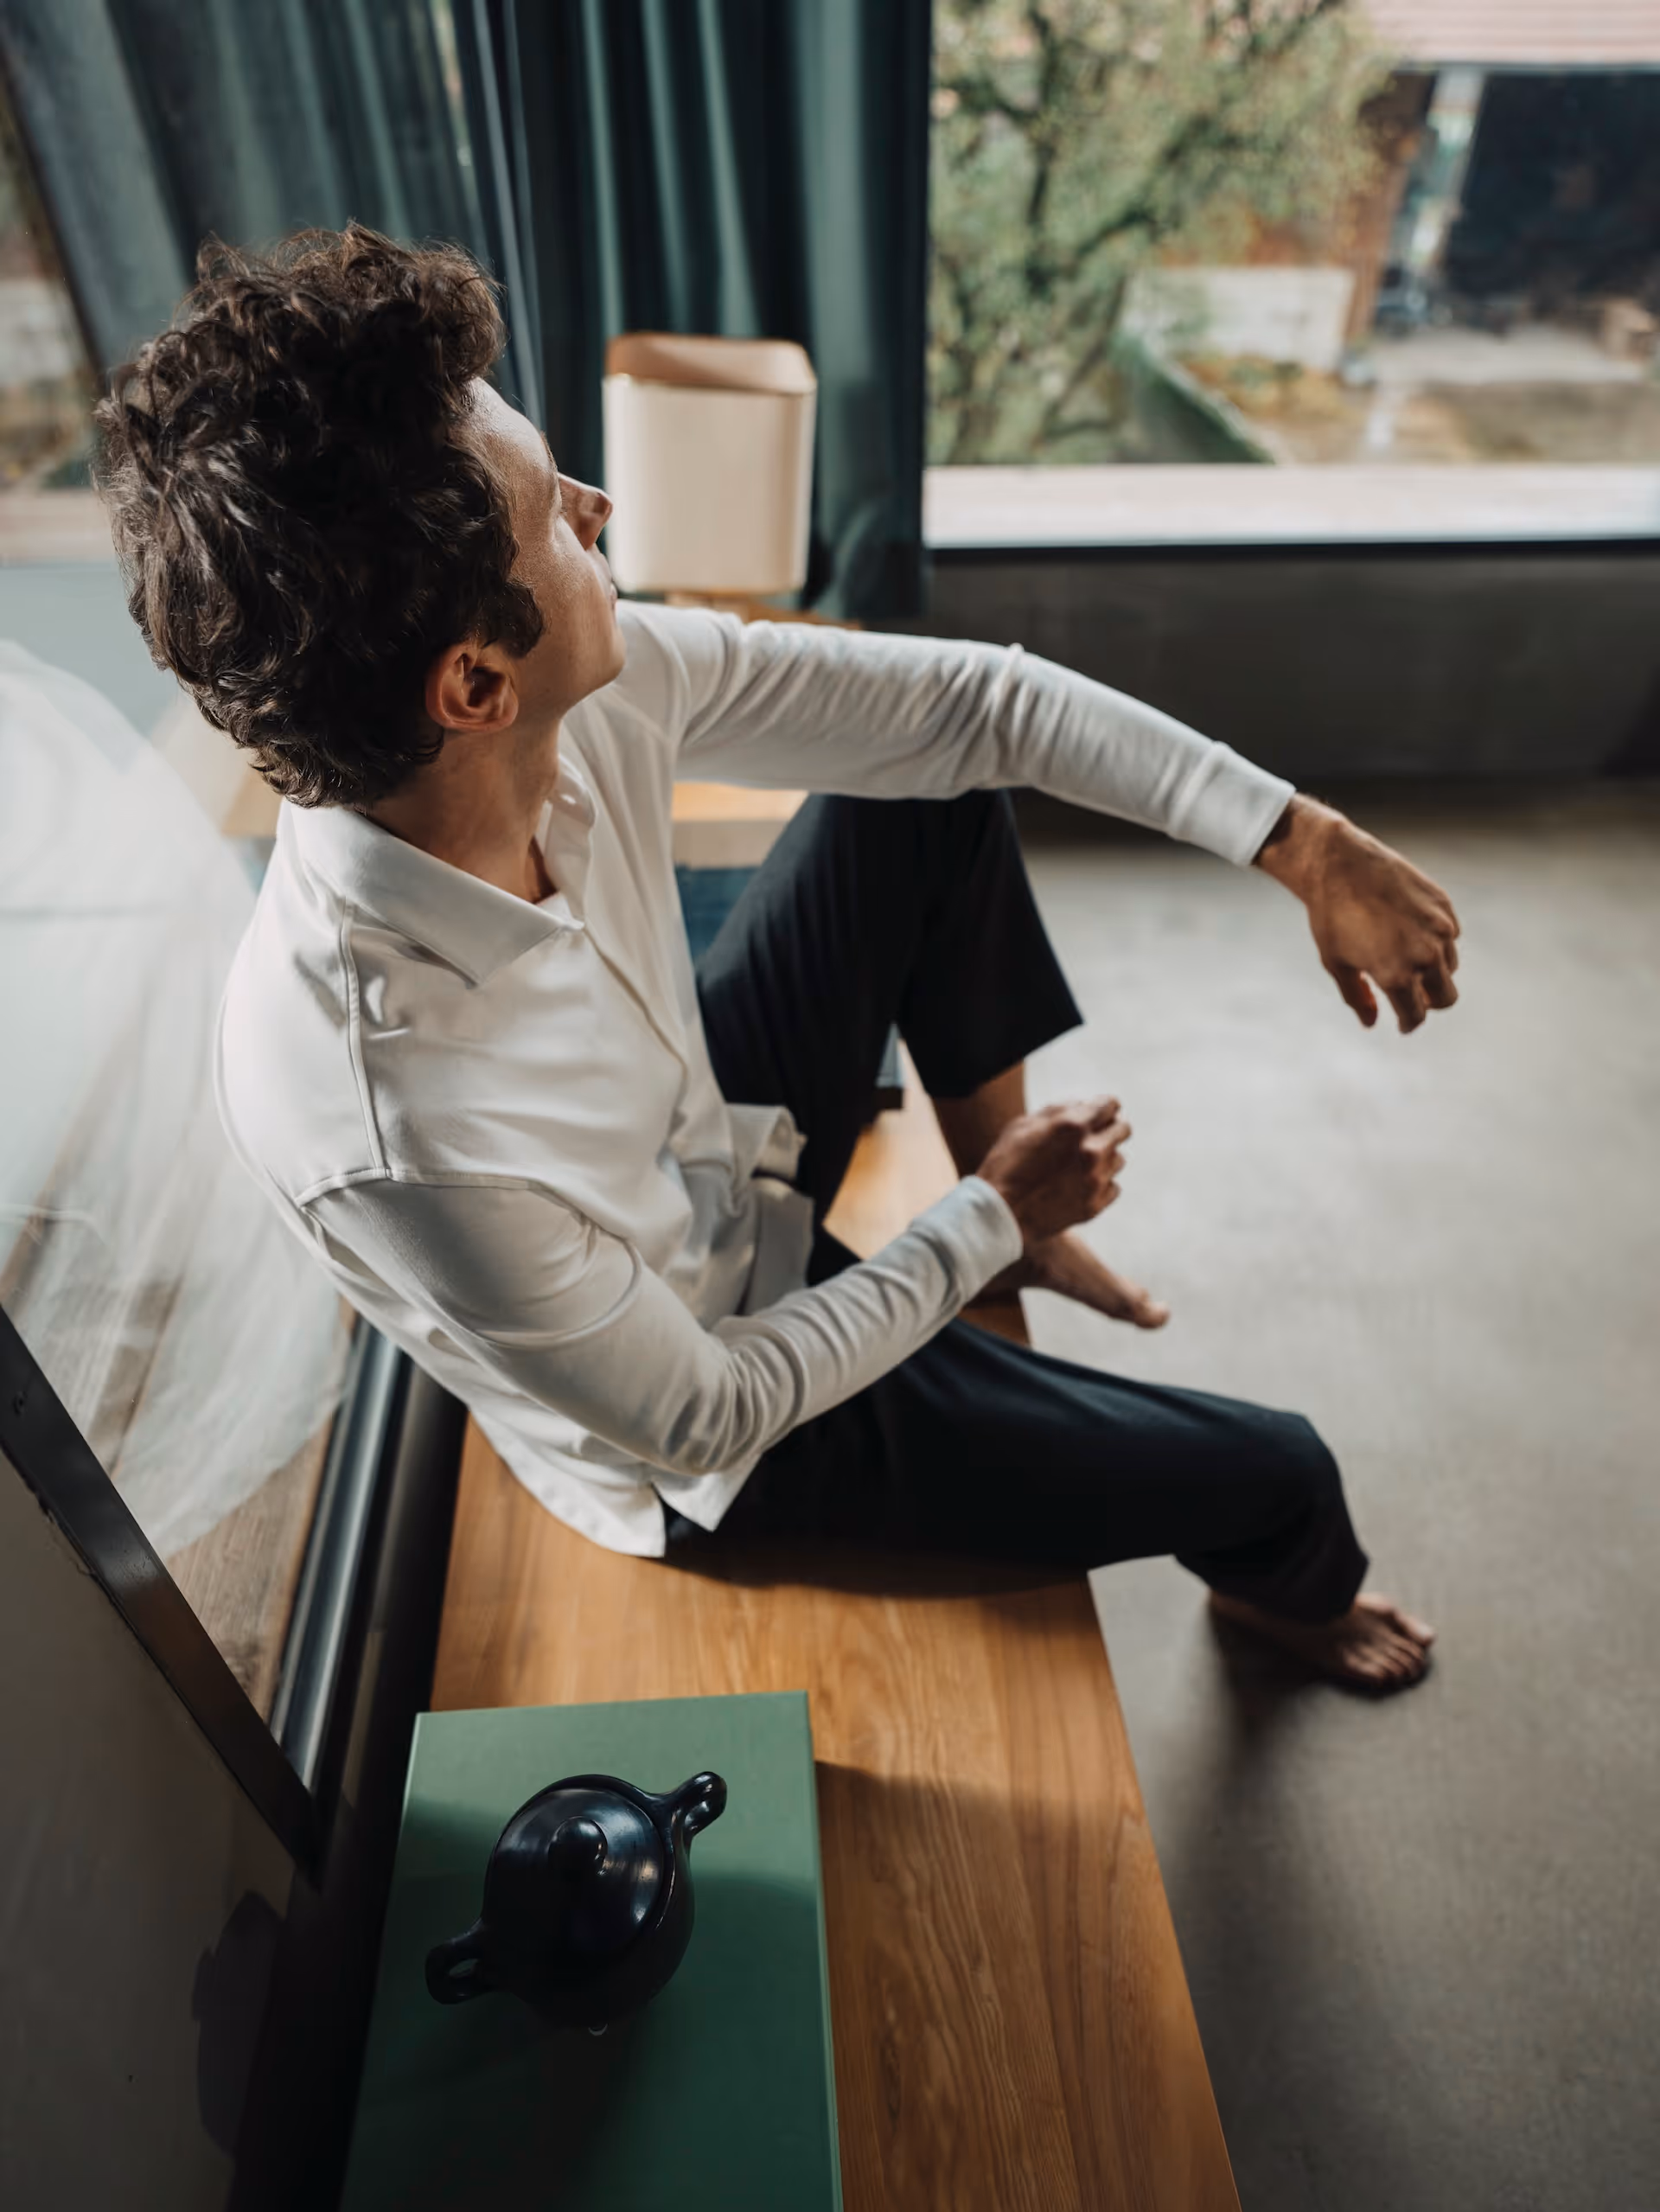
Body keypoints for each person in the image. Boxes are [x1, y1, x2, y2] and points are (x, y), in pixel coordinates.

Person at [98, 227, 1457, 1692]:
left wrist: (1301, 840)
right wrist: (981, 1222)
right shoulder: (385, 1126)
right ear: (475, 683)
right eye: (555, 514)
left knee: (922, 802)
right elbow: (707, 1413)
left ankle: (1015, 1223)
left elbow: (969, 713)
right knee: (1281, 1474)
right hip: (725, 1429)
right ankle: (1284, 1595)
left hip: (711, 1147)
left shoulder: (570, 699)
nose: (599, 506)